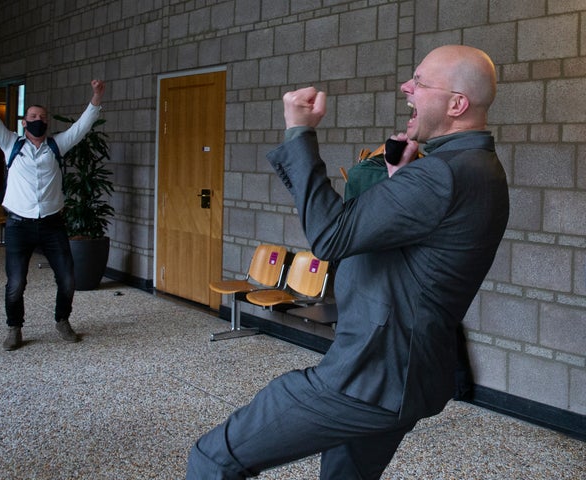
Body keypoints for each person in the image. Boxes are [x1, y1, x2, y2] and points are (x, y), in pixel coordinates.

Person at [186, 44, 509, 479]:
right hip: (410, 377)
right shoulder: (479, 166)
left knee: (213, 458)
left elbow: (331, 235)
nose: (406, 86)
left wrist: (299, 132)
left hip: (371, 376)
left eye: (420, 81)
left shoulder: (443, 173)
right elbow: (416, 249)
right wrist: (398, 181)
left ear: (457, 103)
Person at [0, 58, 105, 351]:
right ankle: (14, 328)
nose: (37, 119)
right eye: (32, 115)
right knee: (16, 283)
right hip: (19, 225)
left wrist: (96, 97)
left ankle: (62, 320)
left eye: (42, 117)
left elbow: (83, 126)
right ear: (23, 121)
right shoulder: (11, 144)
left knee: (68, 278)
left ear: (46, 122)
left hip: (52, 225)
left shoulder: (57, 146)